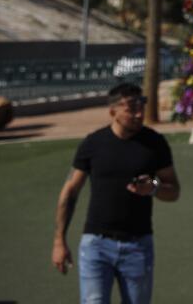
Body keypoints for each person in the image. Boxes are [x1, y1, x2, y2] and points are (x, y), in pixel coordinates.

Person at [52, 82, 181, 304]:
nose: (139, 113)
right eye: (131, 108)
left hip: (138, 246)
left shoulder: (155, 143)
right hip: (96, 246)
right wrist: (59, 241)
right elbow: (70, 192)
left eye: (141, 105)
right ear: (113, 111)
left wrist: (153, 187)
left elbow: (174, 191)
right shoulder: (93, 144)